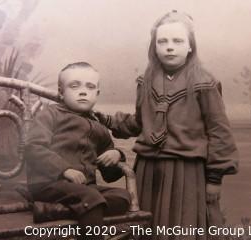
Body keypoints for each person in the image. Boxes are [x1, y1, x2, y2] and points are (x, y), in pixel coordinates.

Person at [98, 11, 239, 240]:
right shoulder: (146, 81)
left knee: (183, 229)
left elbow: (219, 132)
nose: (169, 47)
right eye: (162, 41)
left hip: (186, 170)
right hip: (148, 170)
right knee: (148, 229)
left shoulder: (204, 83)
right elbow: (140, 123)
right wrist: (107, 120)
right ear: (154, 46)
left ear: (190, 46)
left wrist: (215, 178)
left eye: (177, 41)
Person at [24, 62, 130, 240]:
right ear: (61, 92)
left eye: (90, 87)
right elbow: (34, 147)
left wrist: (117, 154)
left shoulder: (99, 127)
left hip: (83, 190)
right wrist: (64, 169)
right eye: (74, 86)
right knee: (91, 198)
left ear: (97, 94)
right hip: (49, 184)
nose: (83, 91)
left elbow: (109, 175)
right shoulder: (50, 114)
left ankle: (50, 211)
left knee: (122, 197)